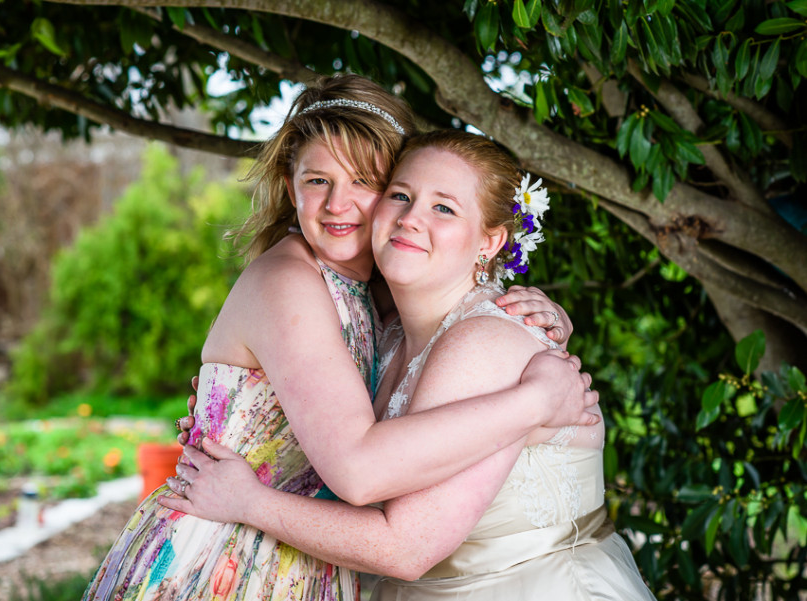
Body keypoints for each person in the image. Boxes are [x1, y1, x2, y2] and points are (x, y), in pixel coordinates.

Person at [82, 75, 597, 601]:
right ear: (290, 188)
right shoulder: (289, 281)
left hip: (296, 553)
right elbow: (357, 468)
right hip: (225, 556)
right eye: (317, 181)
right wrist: (537, 401)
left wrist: (546, 318)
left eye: (364, 182)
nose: (337, 204)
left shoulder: (379, 301)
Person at [165, 130, 656, 600]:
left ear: (490, 243)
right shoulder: (389, 332)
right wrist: (240, 408)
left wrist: (249, 502)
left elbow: (403, 546)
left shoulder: (483, 342)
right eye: (401, 196)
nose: (410, 218)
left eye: (443, 207)